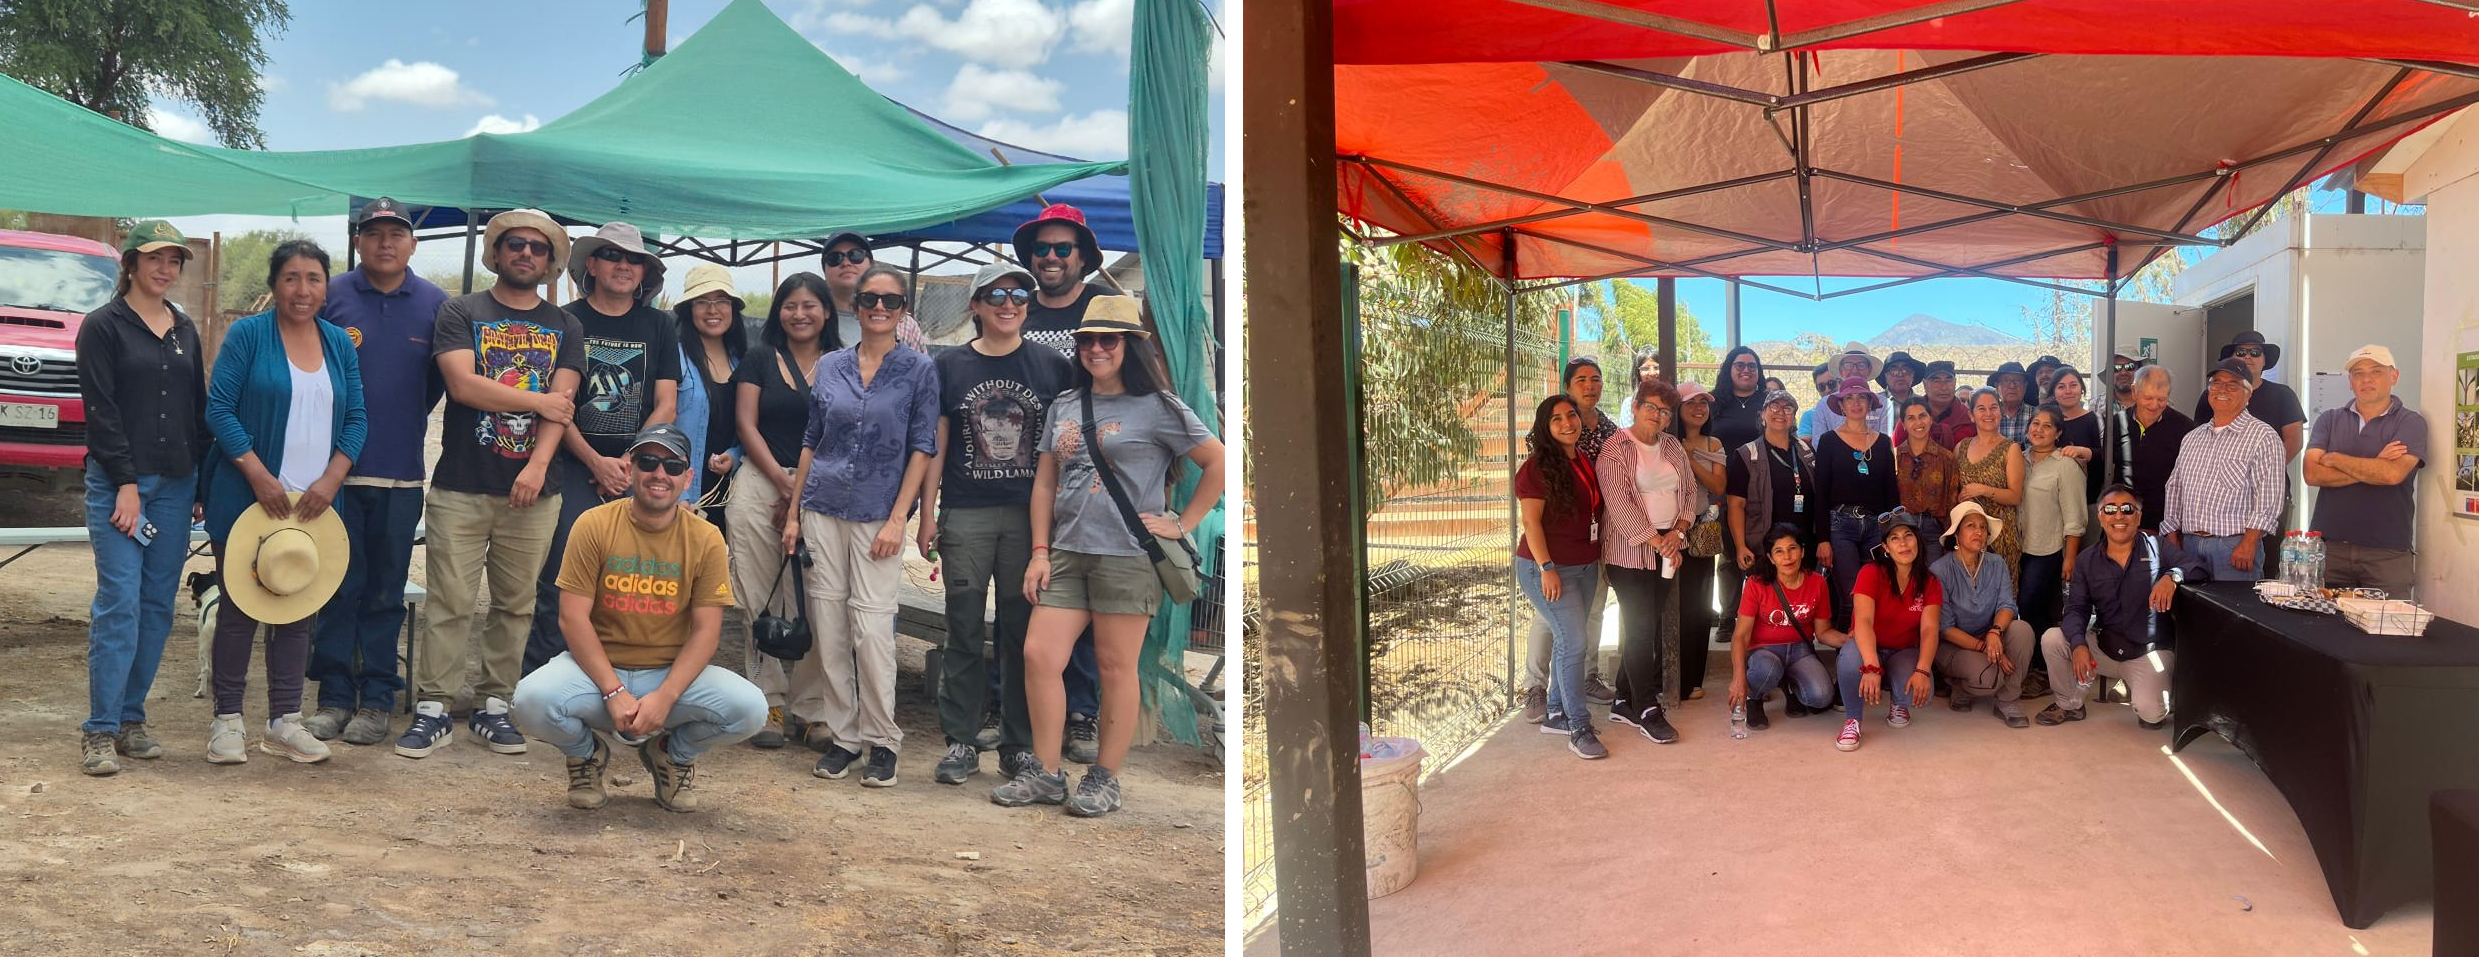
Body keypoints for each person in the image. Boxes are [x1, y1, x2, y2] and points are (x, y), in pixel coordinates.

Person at [993, 297, 1225, 810]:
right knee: (1038, 655)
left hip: (1127, 555)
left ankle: (1104, 777)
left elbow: (1219, 462)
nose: (1096, 348)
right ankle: (1047, 773)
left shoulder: (1160, 407)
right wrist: (1039, 550)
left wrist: (1181, 525)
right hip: (1068, 552)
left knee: (1116, 666)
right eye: (1087, 340)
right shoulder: (1067, 403)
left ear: (1130, 346)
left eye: (1108, 339)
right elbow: (1046, 485)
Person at [510, 422, 766, 812]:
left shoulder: (706, 538)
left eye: (672, 466)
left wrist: (665, 698)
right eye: (647, 462)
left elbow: (706, 632)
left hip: (668, 672)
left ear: (688, 477)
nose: (659, 474)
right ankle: (585, 754)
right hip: (597, 674)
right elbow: (572, 619)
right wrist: (613, 691)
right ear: (629, 468)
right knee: (529, 701)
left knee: (750, 709)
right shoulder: (593, 524)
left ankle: (670, 754)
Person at [404, 209, 584, 761]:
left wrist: (536, 466)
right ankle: (434, 708)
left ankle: (494, 705)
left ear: (550, 262)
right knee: (450, 601)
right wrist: (536, 399)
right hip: (461, 482)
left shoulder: (565, 325)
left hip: (536, 489)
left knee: (516, 604)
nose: (525, 253)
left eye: (536, 247)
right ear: (497, 254)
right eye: (515, 245)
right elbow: (463, 386)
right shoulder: (462, 311)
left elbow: (565, 406)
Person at [200, 240, 367, 765]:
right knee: (239, 610)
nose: (303, 290)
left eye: (314, 278)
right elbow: (220, 408)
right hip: (253, 501)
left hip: (313, 508)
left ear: (326, 286)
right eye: (291, 278)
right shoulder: (248, 335)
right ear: (275, 285)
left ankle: (284, 722)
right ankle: (227, 721)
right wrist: (257, 475)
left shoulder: (338, 342)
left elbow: (357, 418)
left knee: (297, 611)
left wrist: (331, 480)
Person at [782, 264, 940, 788]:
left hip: (879, 513)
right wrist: (792, 514)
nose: (878, 308)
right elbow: (811, 439)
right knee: (829, 628)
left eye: (890, 301)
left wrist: (902, 517)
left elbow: (923, 446)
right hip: (821, 505)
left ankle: (882, 739)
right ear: (855, 305)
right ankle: (845, 736)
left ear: (903, 310)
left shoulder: (919, 370)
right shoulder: (830, 366)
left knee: (872, 629)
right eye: (870, 299)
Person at [923, 262, 1075, 785]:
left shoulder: (1053, 366)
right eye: (995, 295)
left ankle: (1019, 745)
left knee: (1022, 632)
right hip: (965, 511)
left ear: (1028, 305)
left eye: (1018, 293)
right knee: (962, 629)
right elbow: (937, 446)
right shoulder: (950, 366)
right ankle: (961, 740)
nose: (1008, 303)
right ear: (976, 306)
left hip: (1028, 516)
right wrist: (928, 512)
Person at [306, 198, 446, 746]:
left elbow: (437, 384)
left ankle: (378, 699)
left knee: (386, 592)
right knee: (337, 587)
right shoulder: (330, 296)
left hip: (400, 473)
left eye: (396, 233)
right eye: (374, 233)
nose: (385, 243)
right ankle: (335, 696)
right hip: (331, 476)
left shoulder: (436, 304)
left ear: (413, 244)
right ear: (358, 242)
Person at [74, 220, 209, 775]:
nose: (165, 269)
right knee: (120, 602)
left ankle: (132, 718)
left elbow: (194, 406)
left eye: (174, 261)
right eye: (154, 258)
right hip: (119, 486)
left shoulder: (184, 328)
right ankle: (99, 730)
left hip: (176, 486)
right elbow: (101, 412)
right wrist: (126, 483)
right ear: (130, 263)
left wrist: (199, 480)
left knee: (156, 606)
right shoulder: (102, 326)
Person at [530, 223, 680, 676]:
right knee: (563, 572)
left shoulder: (660, 325)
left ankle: (616, 671)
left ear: (644, 273)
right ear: (590, 264)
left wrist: (631, 462)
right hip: (572, 464)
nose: (623, 265)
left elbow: (667, 401)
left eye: (634, 259)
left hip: (638, 465)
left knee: (630, 577)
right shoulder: (566, 320)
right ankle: (543, 674)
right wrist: (595, 461)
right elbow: (558, 405)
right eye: (612, 256)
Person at [1010, 206, 1116, 754]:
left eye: (1062, 249)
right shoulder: (1015, 310)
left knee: (1083, 599)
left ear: (1083, 257)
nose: (1050, 257)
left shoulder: (1100, 312)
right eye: (1042, 249)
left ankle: (1080, 711)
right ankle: (1022, 712)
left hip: (1086, 482)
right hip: (1018, 472)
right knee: (1027, 594)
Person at [728, 273, 833, 751]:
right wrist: (781, 481)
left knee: (818, 595)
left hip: (822, 487)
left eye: (810, 305)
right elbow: (746, 424)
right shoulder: (758, 358)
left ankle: (812, 708)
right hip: (760, 478)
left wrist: (802, 489)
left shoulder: (842, 364)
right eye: (790, 305)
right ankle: (764, 700)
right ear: (778, 312)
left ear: (827, 311)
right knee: (757, 590)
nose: (799, 314)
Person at [2039, 484, 2206, 728]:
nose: (2119, 516)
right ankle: (2069, 704)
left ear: (2138, 515)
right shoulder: (2087, 559)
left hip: (2148, 652)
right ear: (2100, 515)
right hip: (2107, 648)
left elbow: (2199, 567)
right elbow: (2076, 609)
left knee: (2151, 713)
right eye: (2110, 509)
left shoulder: (2157, 546)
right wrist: (2078, 645)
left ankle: (2146, 691)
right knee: (2053, 639)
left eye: (2127, 509)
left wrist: (2172, 576)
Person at [1497, 394, 1607, 758]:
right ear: (1545, 427)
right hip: (1547, 568)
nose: (1567, 423)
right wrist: (1547, 567)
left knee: (1567, 643)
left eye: (1571, 415)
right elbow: (1530, 523)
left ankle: (1557, 714)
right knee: (1575, 643)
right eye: (1557, 419)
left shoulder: (1584, 460)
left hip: (1585, 565)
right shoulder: (1536, 468)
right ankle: (1578, 725)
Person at [1519, 357, 1616, 721]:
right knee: (1556, 622)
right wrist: (1545, 565)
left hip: (1591, 546)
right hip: (1553, 554)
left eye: (1596, 379)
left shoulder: (1609, 430)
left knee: (1590, 617)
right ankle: (1536, 689)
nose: (1590, 386)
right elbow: (1533, 517)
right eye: (1581, 380)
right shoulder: (1548, 445)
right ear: (1567, 387)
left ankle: (1582, 678)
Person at [1597, 378, 1692, 743]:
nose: (1657, 415)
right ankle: (1647, 707)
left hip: (1669, 547)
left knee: (1647, 624)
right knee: (1639, 628)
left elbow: (1687, 492)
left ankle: (1623, 699)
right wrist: (1659, 541)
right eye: (1650, 406)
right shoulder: (1615, 448)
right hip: (1631, 552)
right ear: (1635, 406)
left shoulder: (1672, 446)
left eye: (1664, 411)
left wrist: (1678, 534)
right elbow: (1620, 505)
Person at [2303, 345, 2426, 596]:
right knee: (2322, 630)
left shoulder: (2410, 422)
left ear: (2394, 376)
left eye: (2376, 371)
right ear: (2350, 382)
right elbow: (2312, 474)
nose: (2366, 379)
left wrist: (2335, 458)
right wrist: (2376, 462)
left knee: (2387, 632)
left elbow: (2391, 475)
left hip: (2386, 555)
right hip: (2329, 550)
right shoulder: (2329, 419)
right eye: (2358, 373)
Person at [2161, 358, 2285, 583]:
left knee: (2234, 615)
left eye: (2232, 385)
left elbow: (2269, 496)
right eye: (2216, 383)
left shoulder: (2263, 437)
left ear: (2248, 394)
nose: (2222, 390)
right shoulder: (2192, 438)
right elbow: (2175, 487)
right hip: (2189, 545)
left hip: (2233, 546)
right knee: (2193, 616)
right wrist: (2171, 533)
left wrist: (2249, 542)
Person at [1724, 390, 1816, 685]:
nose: (1780, 412)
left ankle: (1795, 670)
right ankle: (1760, 672)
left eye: (1788, 407)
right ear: (1762, 414)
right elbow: (1735, 504)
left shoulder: (1805, 451)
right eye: (1773, 407)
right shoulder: (1746, 454)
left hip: (1801, 548)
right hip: (1763, 546)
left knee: (1797, 608)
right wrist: (1740, 546)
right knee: (1765, 611)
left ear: (1794, 416)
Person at [1834, 510, 1942, 751]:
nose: (1903, 543)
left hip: (1902, 649)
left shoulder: (1930, 582)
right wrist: (1871, 666)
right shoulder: (1870, 573)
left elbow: (1929, 630)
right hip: (1867, 645)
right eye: (1894, 538)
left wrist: (1923, 670)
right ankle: (1853, 719)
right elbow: (1863, 622)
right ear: (1885, 547)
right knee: (1850, 659)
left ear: (1918, 540)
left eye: (1908, 536)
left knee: (1921, 692)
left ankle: (1897, 701)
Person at [1930, 502, 2035, 727]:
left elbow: (2007, 605)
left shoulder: (1996, 564)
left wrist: (1995, 633)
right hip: (1954, 645)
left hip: (1989, 636)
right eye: (1970, 526)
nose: (1978, 531)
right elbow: (1945, 628)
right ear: (1957, 533)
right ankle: (1959, 684)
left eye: (1982, 527)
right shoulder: (1940, 570)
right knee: (1988, 678)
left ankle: (2008, 700)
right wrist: (1987, 648)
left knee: (2022, 630)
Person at [1727, 524, 1839, 730]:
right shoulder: (1757, 583)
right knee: (1768, 670)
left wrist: (1850, 639)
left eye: (1792, 548)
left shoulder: (1817, 583)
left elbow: (1823, 632)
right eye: (1779, 551)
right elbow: (1740, 636)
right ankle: (1754, 697)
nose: (1787, 557)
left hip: (1800, 650)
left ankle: (1790, 686)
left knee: (1821, 696)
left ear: (1803, 551)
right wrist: (1739, 677)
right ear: (1770, 557)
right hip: (1764, 651)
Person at [1811, 376, 1897, 629]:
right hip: (1840, 526)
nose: (1855, 403)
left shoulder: (1883, 442)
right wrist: (1823, 539)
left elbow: (1890, 492)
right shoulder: (1828, 441)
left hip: (1875, 527)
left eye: (1861, 397)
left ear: (1870, 403)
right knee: (1849, 598)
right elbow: (1822, 493)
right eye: (1849, 397)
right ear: (1842, 405)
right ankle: (1846, 660)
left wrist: (1891, 534)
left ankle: (1870, 656)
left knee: (1873, 596)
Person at [673, 263, 747, 516]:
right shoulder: (674, 357)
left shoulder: (744, 361)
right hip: (682, 496)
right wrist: (679, 493)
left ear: (733, 309)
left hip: (732, 494)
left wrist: (735, 456)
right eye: (701, 301)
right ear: (688, 310)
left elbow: (753, 428)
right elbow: (660, 427)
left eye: (722, 301)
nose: (712, 310)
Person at [2017, 405, 2089, 635]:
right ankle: (2034, 658)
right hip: (2017, 547)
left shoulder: (2066, 465)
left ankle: (2042, 660)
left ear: (2058, 433)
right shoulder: (2018, 459)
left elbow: (2075, 516)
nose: (2039, 429)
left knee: (2029, 604)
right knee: (2024, 605)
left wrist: (2070, 557)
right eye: (2035, 424)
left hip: (2046, 549)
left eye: (2047, 426)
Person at [1673, 381, 1727, 673]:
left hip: (1700, 530)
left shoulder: (1713, 444)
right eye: (1692, 403)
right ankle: (1667, 673)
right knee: (1671, 603)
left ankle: (1693, 677)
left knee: (1699, 604)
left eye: (1703, 403)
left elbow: (1719, 485)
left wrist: (1690, 460)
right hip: (1668, 530)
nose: (1699, 408)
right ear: (1678, 408)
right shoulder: (1663, 440)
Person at [2191, 330, 2306, 462]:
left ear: (2264, 360)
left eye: (2255, 353)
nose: (2248, 357)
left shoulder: (2284, 395)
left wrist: (2269, 468)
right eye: (2241, 352)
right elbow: (2200, 434)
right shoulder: (2212, 394)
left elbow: (2294, 441)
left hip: (2267, 477)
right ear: (2231, 359)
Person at [2101, 365, 2191, 530]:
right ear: (2134, 392)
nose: (2154, 405)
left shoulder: (2185, 428)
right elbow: (2110, 470)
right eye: (2148, 398)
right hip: (2123, 518)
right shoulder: (2116, 423)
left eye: (2161, 399)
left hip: (2164, 523)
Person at [814, 231, 925, 352]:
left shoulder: (904, 325)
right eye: (835, 258)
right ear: (824, 268)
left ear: (871, 264)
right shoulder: (810, 320)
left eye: (856, 255)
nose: (846, 263)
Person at [1956, 388, 2025, 580]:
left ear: (2001, 411)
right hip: (1968, 536)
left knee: (2000, 596)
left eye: (1993, 407)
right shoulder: (1961, 447)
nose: (1988, 413)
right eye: (1981, 408)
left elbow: (2015, 496)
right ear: (1971, 415)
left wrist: (1982, 489)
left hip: (2001, 535)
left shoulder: (2011, 449)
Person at [1893, 397, 1961, 558]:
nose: (1918, 423)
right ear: (1903, 424)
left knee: (1933, 580)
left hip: (1934, 531)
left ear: (1931, 419)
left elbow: (1952, 499)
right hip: (1903, 530)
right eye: (1911, 418)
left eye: (1922, 416)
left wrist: (1950, 537)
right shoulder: (1894, 457)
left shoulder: (1946, 458)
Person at [1895, 359, 1977, 450]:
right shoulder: (1909, 416)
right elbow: (1894, 456)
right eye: (1936, 381)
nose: (1943, 387)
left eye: (1948, 380)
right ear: (1925, 385)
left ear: (1955, 382)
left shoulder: (1968, 418)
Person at [1810, 344, 1887, 434]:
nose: (1854, 370)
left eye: (1861, 365)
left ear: (1869, 370)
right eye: (1848, 365)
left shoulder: (1884, 404)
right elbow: (1819, 443)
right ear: (1841, 370)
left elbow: (1886, 442)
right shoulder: (1824, 405)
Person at [1709, 346, 1770, 455]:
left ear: (1758, 371)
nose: (1746, 370)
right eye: (1740, 365)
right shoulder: (1711, 401)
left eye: (1751, 366)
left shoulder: (1770, 402)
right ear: (1729, 369)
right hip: (1718, 470)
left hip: (1763, 470)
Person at [2047, 366, 2102, 478]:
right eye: (2061, 387)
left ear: (2082, 389)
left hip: (2088, 489)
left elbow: (2106, 456)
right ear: (2053, 392)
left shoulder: (2095, 419)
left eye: (2073, 385)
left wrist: (2082, 451)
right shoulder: (2047, 421)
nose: (2068, 391)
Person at [1988, 361, 2034, 447]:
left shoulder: (2037, 415)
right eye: (2006, 381)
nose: (2012, 386)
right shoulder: (1988, 416)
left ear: (2025, 386)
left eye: (2017, 381)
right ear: (1997, 386)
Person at [1796, 362, 1833, 442]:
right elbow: (1804, 445)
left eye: (1831, 384)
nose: (1827, 390)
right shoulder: (1809, 415)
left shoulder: (1853, 410)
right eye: (1821, 386)